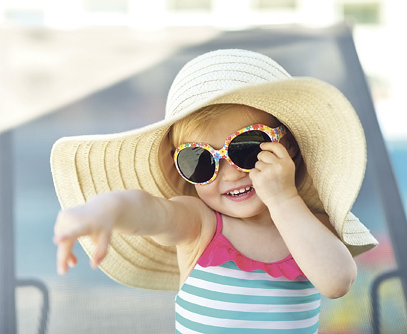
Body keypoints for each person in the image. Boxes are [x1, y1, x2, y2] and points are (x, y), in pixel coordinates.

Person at [51, 49, 378, 333]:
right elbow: (149, 211)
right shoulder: (200, 226)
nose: (230, 172)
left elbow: (337, 282)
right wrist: (103, 210)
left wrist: (283, 198)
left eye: (247, 147)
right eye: (200, 160)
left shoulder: (311, 227)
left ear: (288, 147)